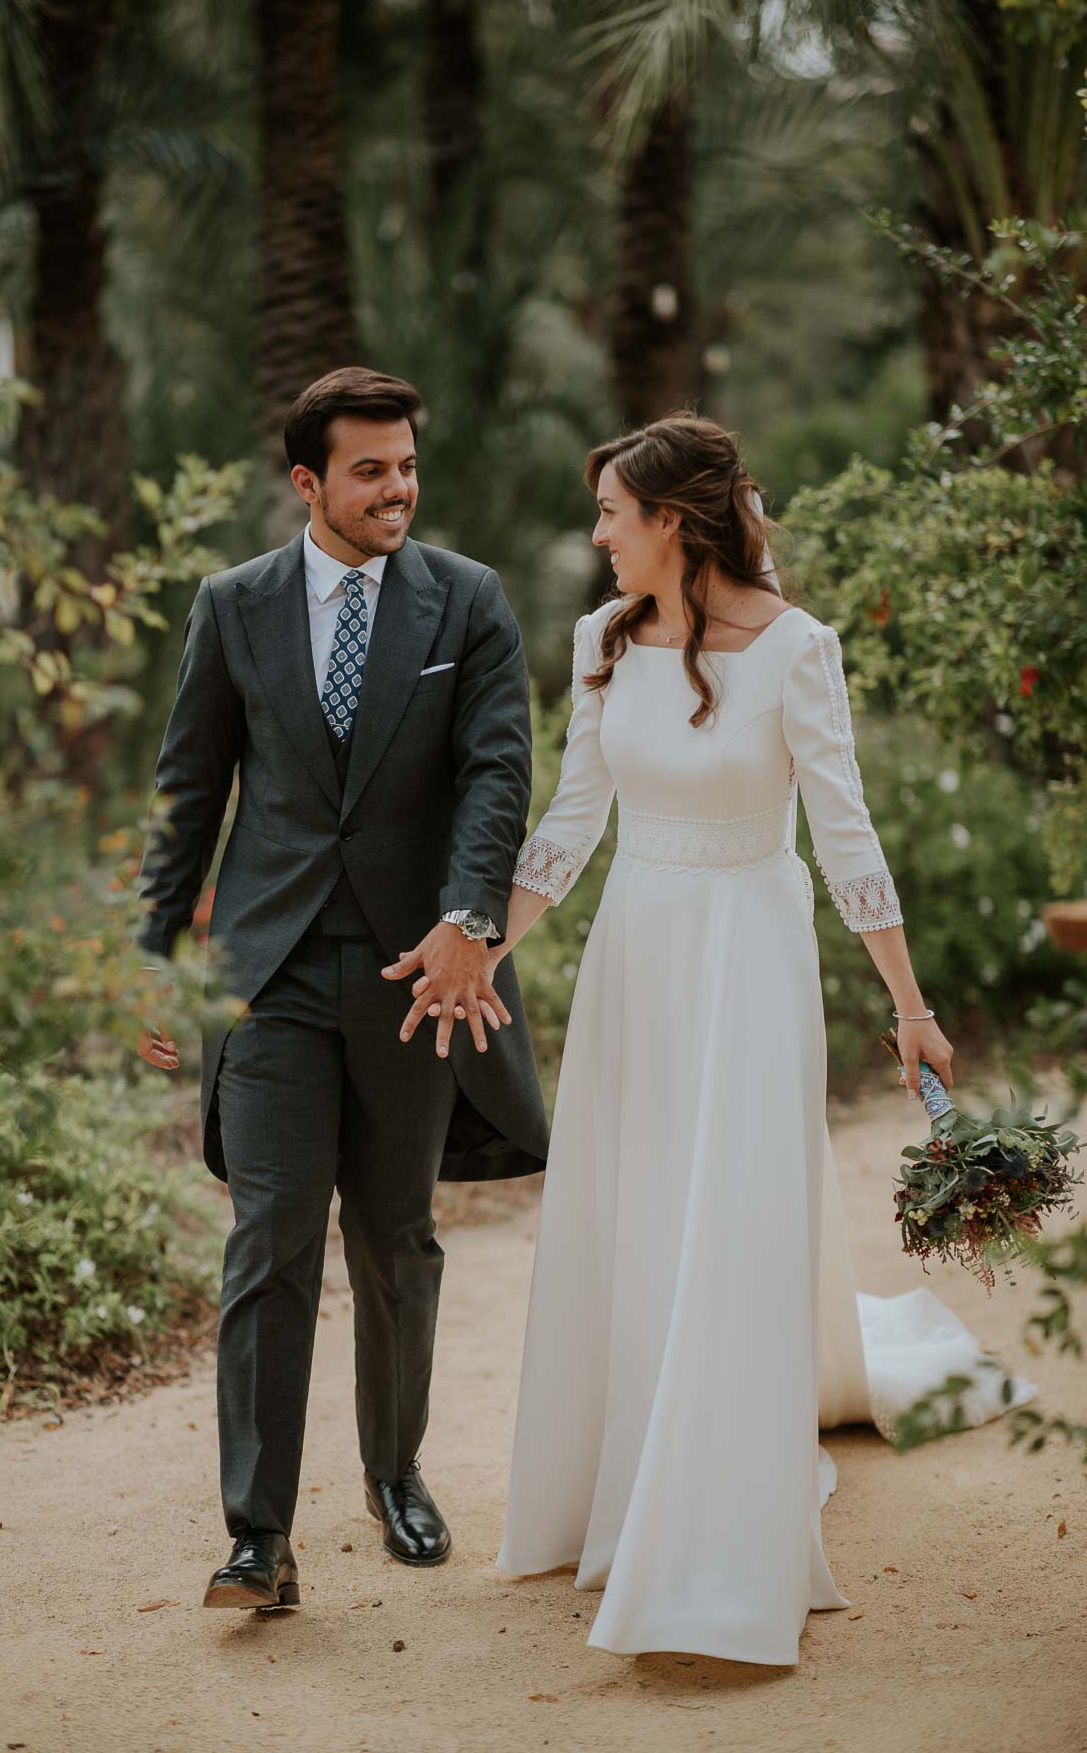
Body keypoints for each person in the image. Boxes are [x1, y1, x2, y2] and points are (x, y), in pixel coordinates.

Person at [487, 412, 1020, 1665]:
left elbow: (847, 835)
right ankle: (615, 1478)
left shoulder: (797, 649)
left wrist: (910, 1008)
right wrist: (481, 946)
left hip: (751, 954)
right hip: (638, 955)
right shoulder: (600, 643)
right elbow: (569, 827)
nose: (599, 535)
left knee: (726, 1216)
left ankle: (714, 1520)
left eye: (614, 512)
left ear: (675, 520)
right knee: (640, 1211)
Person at [136, 366, 548, 1609]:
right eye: (370, 469)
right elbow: (186, 790)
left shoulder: (467, 601)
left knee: (396, 1242)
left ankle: (396, 1470)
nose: (398, 488)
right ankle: (257, 1532)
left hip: (414, 974)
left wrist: (471, 918)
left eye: (408, 465)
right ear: (308, 480)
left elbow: (495, 774)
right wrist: (148, 961)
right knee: (269, 1241)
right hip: (265, 978)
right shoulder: (235, 604)